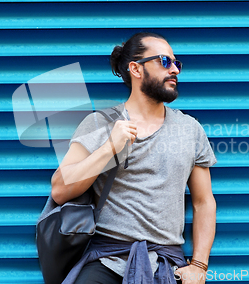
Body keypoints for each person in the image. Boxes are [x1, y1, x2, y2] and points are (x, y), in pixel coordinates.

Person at [50, 32, 217, 284]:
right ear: (135, 69)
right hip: (107, 260)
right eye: (164, 61)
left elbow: (203, 203)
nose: (175, 70)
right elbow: (60, 191)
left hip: (166, 264)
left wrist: (199, 265)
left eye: (176, 63)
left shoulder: (190, 128)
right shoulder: (99, 123)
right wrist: (108, 148)